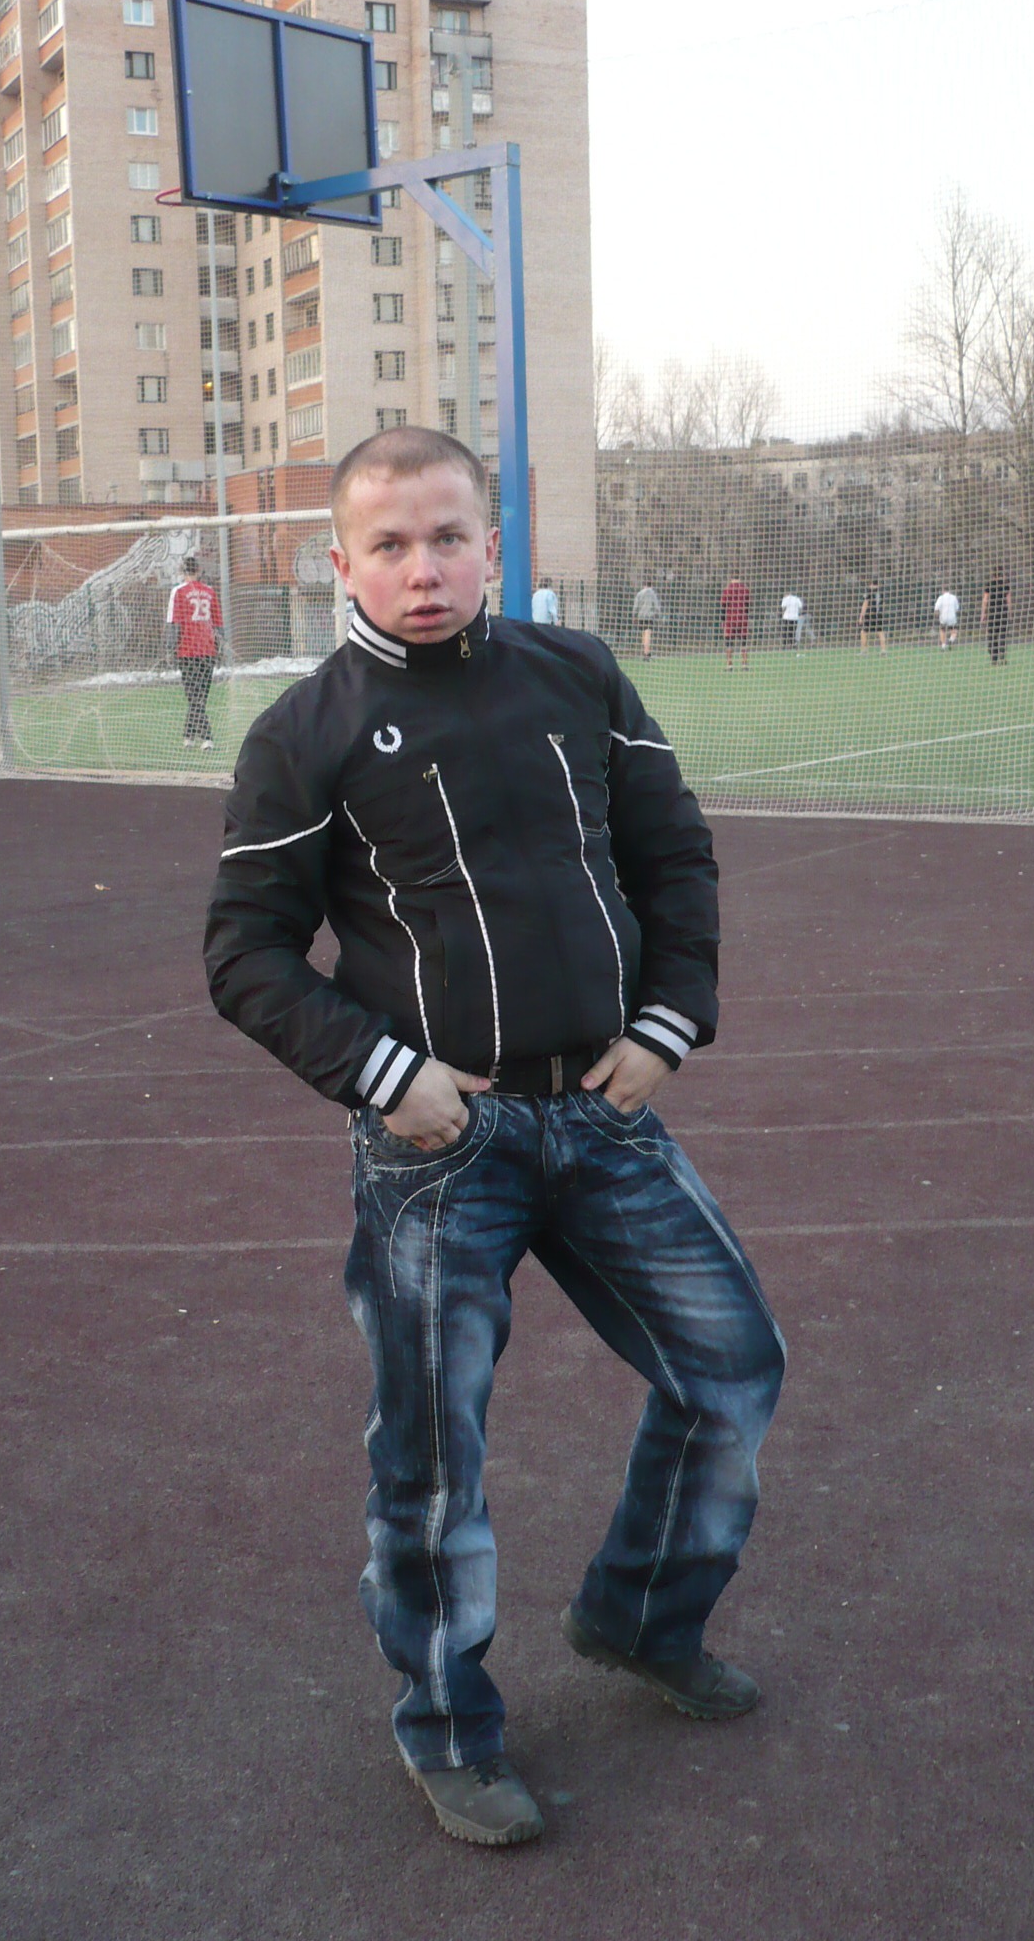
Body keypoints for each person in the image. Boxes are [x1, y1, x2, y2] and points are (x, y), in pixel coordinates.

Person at [204, 428, 784, 1851]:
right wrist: (383, 1073)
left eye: (448, 537)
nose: (424, 568)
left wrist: (670, 1023)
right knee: (433, 1460)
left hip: (603, 1111)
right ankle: (451, 1726)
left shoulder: (578, 676)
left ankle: (640, 1614)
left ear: (493, 546)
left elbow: (674, 855)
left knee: (730, 1369)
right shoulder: (304, 734)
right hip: (439, 1149)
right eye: (390, 544)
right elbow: (246, 953)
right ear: (340, 563)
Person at [167, 554, 222, 747]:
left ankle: (206, 737)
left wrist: (170, 649)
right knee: (200, 697)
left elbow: (174, 624)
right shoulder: (210, 591)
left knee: (194, 696)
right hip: (208, 650)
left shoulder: (178, 592)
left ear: (182, 572)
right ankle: (189, 735)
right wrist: (219, 649)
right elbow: (218, 624)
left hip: (187, 651)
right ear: (198, 571)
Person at [981, 570, 1012, 666]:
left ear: (993, 575)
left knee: (992, 635)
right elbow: (1008, 600)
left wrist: (983, 613)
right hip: (1003, 612)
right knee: (1002, 634)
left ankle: (994, 658)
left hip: (992, 613)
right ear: (1001, 575)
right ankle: (1002, 654)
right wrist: (1010, 612)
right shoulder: (1005, 585)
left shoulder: (989, 585)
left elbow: (985, 600)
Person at [720, 574, 751, 668]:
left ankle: (729, 664)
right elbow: (747, 605)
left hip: (730, 618)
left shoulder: (727, 589)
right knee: (743, 641)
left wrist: (723, 619)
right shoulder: (745, 589)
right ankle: (744, 664)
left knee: (729, 642)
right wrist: (746, 616)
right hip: (742, 618)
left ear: (731, 578)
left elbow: (723, 605)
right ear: (739, 578)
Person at [632, 580, 662, 658]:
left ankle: (645, 651)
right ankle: (647, 653)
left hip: (641, 616)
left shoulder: (639, 594)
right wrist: (658, 615)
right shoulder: (653, 594)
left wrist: (634, 616)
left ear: (644, 585)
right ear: (651, 585)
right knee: (647, 634)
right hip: (649, 616)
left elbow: (636, 606)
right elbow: (656, 606)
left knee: (643, 634)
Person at [857, 581, 886, 653]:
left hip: (870, 615)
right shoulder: (881, 593)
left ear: (871, 585)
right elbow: (883, 604)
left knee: (863, 632)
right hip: (879, 615)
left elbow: (865, 605)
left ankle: (864, 650)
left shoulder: (869, 592)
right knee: (880, 632)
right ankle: (883, 650)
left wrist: (861, 617)